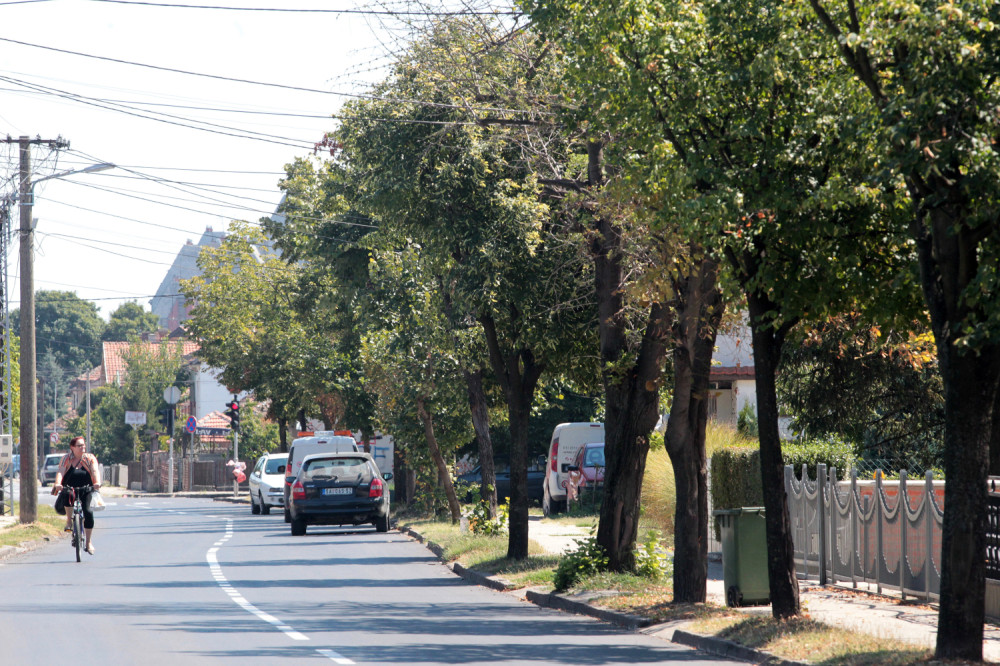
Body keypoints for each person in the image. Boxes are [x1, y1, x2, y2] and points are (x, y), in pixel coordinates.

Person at [52, 436, 101, 555]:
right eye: (79, 446)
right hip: (69, 488)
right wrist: (58, 483)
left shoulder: (90, 458)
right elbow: (61, 471)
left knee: (88, 513)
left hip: (86, 489)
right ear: (72, 447)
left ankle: (88, 542)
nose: (82, 448)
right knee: (68, 494)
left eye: (83, 445)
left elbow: (95, 471)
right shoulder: (66, 459)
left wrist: (97, 483)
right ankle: (69, 521)